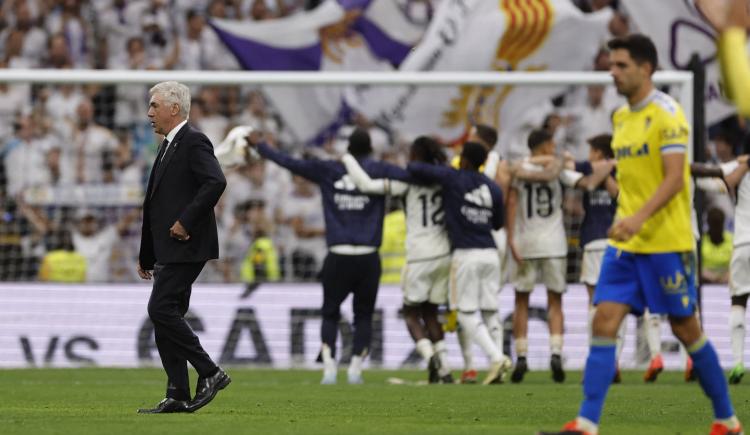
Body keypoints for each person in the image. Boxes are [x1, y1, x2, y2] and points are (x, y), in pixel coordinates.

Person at [543, 34, 742, 435]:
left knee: (687, 331)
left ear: (645, 68)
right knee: (604, 322)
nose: (612, 72)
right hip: (624, 243)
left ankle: (727, 419)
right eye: (610, 65)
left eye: (620, 66)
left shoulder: (669, 114)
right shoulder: (620, 118)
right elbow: (632, 179)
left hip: (666, 243)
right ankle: (586, 423)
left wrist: (638, 218)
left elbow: (673, 179)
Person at [246, 127, 407, 385]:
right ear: (371, 150)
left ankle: (329, 368)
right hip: (368, 257)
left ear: (348, 150)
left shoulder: (330, 169)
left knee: (330, 312)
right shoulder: (379, 169)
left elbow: (290, 163)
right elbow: (410, 176)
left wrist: (261, 146)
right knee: (363, 315)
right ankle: (355, 369)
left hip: (338, 255)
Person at [136, 81, 229, 414]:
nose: (149, 113)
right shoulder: (167, 145)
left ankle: (210, 371)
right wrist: (147, 254)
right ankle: (177, 392)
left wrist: (186, 222)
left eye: (154, 105)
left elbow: (216, 181)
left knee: (160, 310)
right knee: (167, 316)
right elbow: (156, 204)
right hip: (168, 248)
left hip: (188, 244)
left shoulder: (193, 140)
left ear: (174, 109)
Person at [342, 136, 455, 384]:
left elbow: (366, 185)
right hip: (445, 254)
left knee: (411, 313)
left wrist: (348, 160)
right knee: (432, 313)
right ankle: (445, 368)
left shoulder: (405, 185)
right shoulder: (446, 182)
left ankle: (430, 357)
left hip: (419, 255)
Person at [408, 141, 511, 385]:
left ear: (463, 159)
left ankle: (496, 358)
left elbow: (415, 168)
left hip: (466, 254)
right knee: (490, 311)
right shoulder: (493, 187)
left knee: (465, 313)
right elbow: (497, 223)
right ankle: (498, 370)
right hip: (490, 253)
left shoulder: (453, 178)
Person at [506, 129, 583, 384]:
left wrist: (511, 239)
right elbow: (579, 180)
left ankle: (522, 356)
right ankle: (556, 353)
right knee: (555, 302)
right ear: (543, 146)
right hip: (554, 243)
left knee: (521, 302)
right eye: (550, 144)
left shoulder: (519, 169)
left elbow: (512, 204)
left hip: (525, 242)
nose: (553, 148)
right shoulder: (558, 168)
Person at [569, 134, 623, 381]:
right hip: (613, 243)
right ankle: (613, 361)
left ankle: (599, 361)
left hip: (597, 240)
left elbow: (612, 192)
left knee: (595, 302)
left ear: (600, 152)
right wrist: (607, 168)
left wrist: (605, 172)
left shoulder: (612, 170)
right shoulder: (602, 167)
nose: (588, 156)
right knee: (614, 303)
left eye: (592, 151)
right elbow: (570, 166)